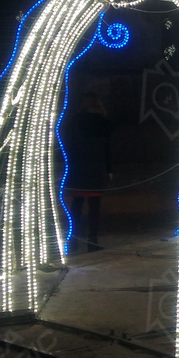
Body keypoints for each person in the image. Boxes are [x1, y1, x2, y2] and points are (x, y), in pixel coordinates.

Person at [62, 93, 114, 252]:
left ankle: (74, 240)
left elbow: (69, 144)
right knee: (94, 205)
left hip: (78, 166)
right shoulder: (104, 123)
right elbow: (107, 148)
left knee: (77, 204)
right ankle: (93, 240)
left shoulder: (75, 120)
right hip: (96, 166)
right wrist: (109, 169)